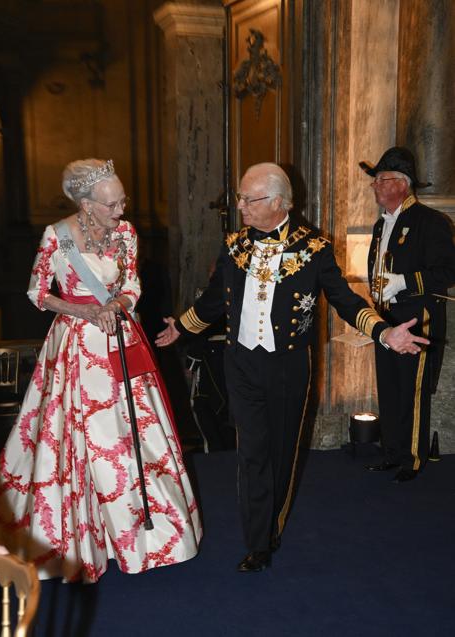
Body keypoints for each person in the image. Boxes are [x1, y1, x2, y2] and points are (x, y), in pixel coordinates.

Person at [156, 162, 428, 572]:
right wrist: (182, 325)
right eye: (241, 198)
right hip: (241, 363)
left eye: (250, 199)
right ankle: (257, 541)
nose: (241, 206)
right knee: (251, 452)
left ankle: (273, 525)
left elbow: (345, 301)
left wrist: (384, 333)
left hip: (287, 367)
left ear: (279, 202)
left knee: (281, 452)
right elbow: (214, 300)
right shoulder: (235, 245)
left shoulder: (314, 249)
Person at [0, 159, 201, 582]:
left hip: (120, 342)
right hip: (75, 346)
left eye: (122, 201)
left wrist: (116, 305)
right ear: (86, 204)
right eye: (111, 205)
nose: (121, 211)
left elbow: (133, 286)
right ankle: (80, 540)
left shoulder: (125, 233)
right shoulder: (59, 237)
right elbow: (37, 292)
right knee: (79, 437)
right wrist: (82, 311)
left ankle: (146, 537)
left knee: (132, 434)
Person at [360, 146, 455, 483]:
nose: (374, 186)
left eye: (380, 180)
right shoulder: (378, 225)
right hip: (386, 320)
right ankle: (392, 451)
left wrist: (402, 282)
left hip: (419, 319)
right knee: (388, 386)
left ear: (402, 183)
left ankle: (411, 458)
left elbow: (447, 272)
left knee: (411, 391)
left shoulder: (431, 222)